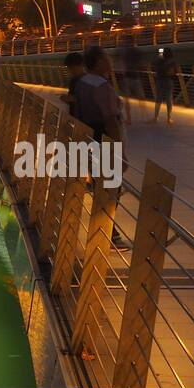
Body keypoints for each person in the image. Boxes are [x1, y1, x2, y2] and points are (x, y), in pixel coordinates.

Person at [74, 45, 128, 249]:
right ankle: (108, 232)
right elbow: (110, 120)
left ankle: (104, 229)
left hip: (89, 137)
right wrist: (119, 152)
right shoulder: (102, 87)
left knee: (100, 185)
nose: (110, 62)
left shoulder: (81, 84)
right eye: (107, 58)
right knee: (111, 187)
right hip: (105, 139)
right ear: (98, 63)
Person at [151, 48, 179, 125]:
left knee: (158, 99)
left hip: (160, 81)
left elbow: (154, 65)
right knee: (169, 100)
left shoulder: (159, 60)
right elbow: (174, 72)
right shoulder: (172, 61)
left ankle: (155, 118)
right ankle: (169, 118)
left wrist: (159, 56)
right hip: (168, 81)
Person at [61, 51, 85, 117]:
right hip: (75, 117)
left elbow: (90, 99)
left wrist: (71, 99)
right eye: (70, 69)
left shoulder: (87, 81)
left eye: (73, 68)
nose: (71, 71)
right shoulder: (74, 81)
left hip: (84, 119)